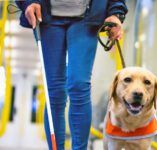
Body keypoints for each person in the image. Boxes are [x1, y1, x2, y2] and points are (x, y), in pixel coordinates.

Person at [16, 0, 128, 149]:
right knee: (54, 92)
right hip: (46, 17)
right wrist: (28, 2)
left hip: (86, 18)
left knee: (79, 85)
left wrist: (115, 13)